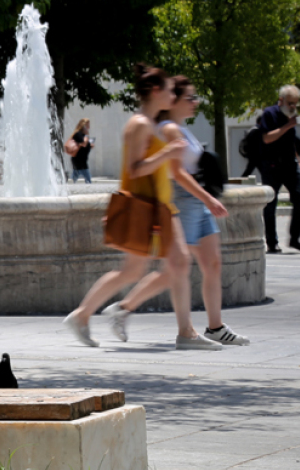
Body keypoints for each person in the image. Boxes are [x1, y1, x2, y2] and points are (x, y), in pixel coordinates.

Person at [63, 63, 221, 351]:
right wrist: (167, 153)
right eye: (171, 90)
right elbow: (134, 170)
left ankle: (185, 332)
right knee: (135, 271)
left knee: (178, 262)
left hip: (160, 205)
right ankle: (83, 314)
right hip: (144, 206)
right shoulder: (139, 124)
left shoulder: (149, 123)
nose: (174, 95)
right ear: (157, 91)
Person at [97, 77, 246, 347]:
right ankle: (124, 308)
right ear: (173, 100)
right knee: (175, 269)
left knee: (212, 263)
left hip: (197, 202)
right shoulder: (166, 129)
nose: (195, 103)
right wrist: (208, 198)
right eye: (190, 98)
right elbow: (176, 173)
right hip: (184, 201)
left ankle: (216, 327)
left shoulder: (181, 129)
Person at [255, 86, 300, 253]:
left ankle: (294, 239)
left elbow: (290, 142)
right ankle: (272, 243)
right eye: (290, 103)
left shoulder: (290, 117)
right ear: (281, 101)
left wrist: (299, 160)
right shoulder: (269, 114)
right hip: (272, 165)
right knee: (271, 204)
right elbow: (267, 138)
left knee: (299, 199)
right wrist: (287, 126)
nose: (293, 107)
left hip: (290, 164)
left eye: (295, 104)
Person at [68, 118, 94, 183]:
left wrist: (90, 146)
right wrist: (87, 136)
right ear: (84, 126)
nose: (89, 127)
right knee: (88, 180)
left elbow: (83, 147)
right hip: (79, 160)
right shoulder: (78, 134)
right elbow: (83, 144)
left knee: (75, 177)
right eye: (87, 125)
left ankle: (71, 186)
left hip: (82, 160)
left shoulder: (83, 135)